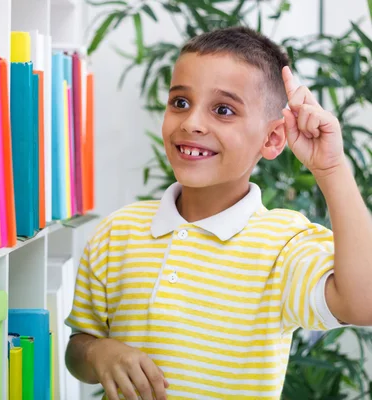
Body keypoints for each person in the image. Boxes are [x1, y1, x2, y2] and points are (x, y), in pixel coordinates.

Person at [63, 26, 372, 400]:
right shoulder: (117, 232)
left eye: (223, 110)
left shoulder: (284, 244)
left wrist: (332, 168)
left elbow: (363, 304)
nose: (191, 122)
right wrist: (98, 352)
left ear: (273, 139)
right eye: (179, 102)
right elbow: (78, 347)